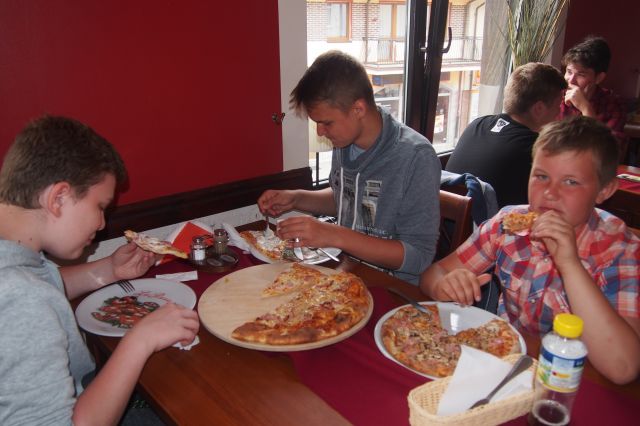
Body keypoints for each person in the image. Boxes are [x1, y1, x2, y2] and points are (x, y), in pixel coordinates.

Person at [0, 116, 200, 425]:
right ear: (58, 198)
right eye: (100, 207)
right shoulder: (22, 299)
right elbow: (29, 298)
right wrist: (140, 340)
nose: (102, 223)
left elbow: (42, 284)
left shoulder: (15, 259)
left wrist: (109, 270)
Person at [421, 116, 640, 384]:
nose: (550, 193)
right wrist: (444, 286)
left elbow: (623, 368)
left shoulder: (619, 249)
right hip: (506, 365)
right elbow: (433, 274)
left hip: (575, 381)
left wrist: (570, 264)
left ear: (604, 190)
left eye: (570, 182)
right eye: (541, 176)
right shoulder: (507, 225)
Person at [259, 50, 441, 284]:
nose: (320, 132)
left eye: (326, 123)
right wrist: (296, 199)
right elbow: (346, 199)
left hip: (393, 287)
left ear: (358, 109)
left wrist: (335, 235)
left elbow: (419, 257)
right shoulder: (345, 142)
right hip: (348, 273)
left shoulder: (416, 157)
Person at [445, 62, 567, 207]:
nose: (560, 111)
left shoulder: (477, 124)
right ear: (539, 109)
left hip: (447, 218)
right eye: (558, 105)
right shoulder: (537, 148)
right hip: (490, 221)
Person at [560, 36, 629, 158]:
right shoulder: (556, 97)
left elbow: (609, 154)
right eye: (569, 72)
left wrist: (586, 108)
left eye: (581, 74)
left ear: (599, 78)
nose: (571, 80)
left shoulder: (614, 104)